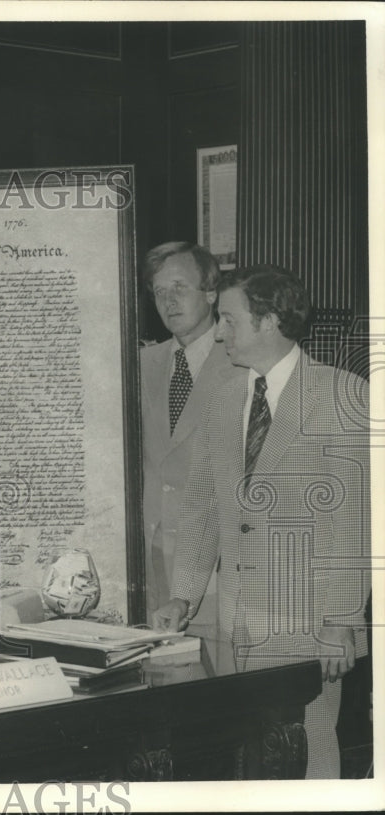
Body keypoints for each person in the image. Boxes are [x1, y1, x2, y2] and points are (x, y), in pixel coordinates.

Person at [153, 265, 369, 779]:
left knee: (310, 752)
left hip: (311, 623)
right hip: (239, 622)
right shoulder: (223, 401)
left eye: (228, 319)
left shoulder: (344, 395)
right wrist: (184, 593)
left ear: (269, 319)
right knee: (255, 757)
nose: (220, 331)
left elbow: (354, 520)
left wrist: (341, 622)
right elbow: (204, 504)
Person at [139, 242, 237, 654]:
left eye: (179, 286)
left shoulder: (241, 362)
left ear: (211, 292)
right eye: (159, 291)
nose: (168, 300)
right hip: (147, 570)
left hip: (217, 572)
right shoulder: (139, 365)